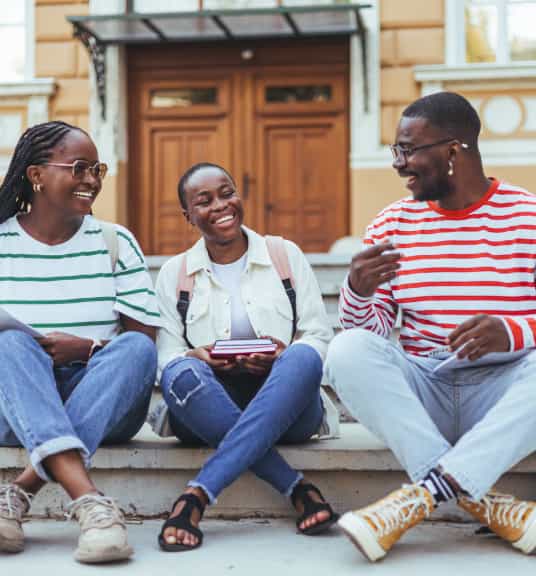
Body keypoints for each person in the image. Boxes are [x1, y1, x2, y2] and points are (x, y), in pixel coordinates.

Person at [325, 92, 536, 561]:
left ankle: (419, 497)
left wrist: (514, 330)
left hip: (503, 397)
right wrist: (357, 290)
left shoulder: (528, 217)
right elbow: (372, 335)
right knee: (346, 350)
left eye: (408, 150)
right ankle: (480, 501)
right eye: (396, 152)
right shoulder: (392, 223)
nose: (399, 165)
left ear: (454, 151)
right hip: (426, 392)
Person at [154, 162, 339, 552]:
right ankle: (297, 487)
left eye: (227, 192)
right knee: (181, 372)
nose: (221, 205)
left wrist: (283, 356)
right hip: (206, 406)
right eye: (204, 201)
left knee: (304, 358)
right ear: (188, 215)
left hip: (287, 404)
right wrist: (197, 355)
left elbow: (318, 334)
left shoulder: (283, 255)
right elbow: (166, 354)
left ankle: (197, 495)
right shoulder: (176, 273)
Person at [0, 121, 160, 563]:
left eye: (97, 169)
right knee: (10, 345)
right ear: (36, 175)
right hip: (13, 400)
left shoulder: (115, 241)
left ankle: (19, 490)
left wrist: (87, 349)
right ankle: (92, 506)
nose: (92, 180)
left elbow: (143, 343)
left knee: (138, 349)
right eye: (79, 167)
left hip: (103, 396)